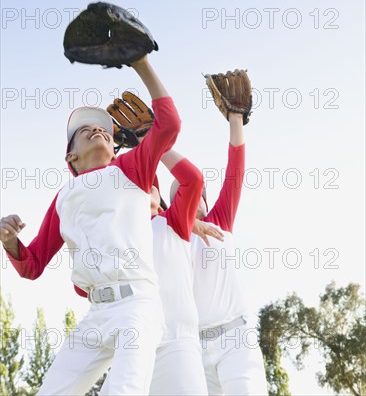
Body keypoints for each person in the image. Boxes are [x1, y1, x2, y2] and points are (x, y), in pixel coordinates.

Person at [0, 55, 181, 396]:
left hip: (136, 306)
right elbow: (33, 265)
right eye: (85, 131)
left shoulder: (130, 170)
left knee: (122, 391)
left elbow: (169, 126)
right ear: (71, 157)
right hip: (97, 314)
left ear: (115, 149)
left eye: (104, 131)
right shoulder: (64, 196)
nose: (98, 130)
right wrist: (9, 242)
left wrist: (140, 62)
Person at [190, 111, 268, 396]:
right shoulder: (166, 236)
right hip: (193, 350)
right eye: (181, 192)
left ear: (205, 201)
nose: (189, 195)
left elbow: (235, 170)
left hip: (235, 339)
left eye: (196, 192)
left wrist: (236, 119)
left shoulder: (218, 220)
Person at [149, 148, 221, 396]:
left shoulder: (171, 223)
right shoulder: (128, 231)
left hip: (179, 341)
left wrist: (150, 142)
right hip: (139, 342)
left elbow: (193, 180)